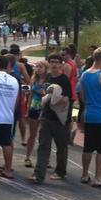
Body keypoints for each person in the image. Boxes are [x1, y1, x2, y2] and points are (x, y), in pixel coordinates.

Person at [31, 54, 72, 184]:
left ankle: (60, 171)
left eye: (56, 62)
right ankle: (38, 175)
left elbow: (67, 100)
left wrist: (53, 99)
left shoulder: (64, 80)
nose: (54, 64)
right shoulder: (47, 77)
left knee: (61, 147)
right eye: (52, 62)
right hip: (46, 117)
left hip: (61, 119)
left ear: (61, 64)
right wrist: (45, 97)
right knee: (43, 145)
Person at [79, 47, 101, 187]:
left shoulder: (84, 74)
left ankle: (84, 174)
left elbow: (82, 95)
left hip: (89, 113)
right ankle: (98, 178)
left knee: (88, 147)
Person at [24, 60, 48, 169]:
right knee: (32, 135)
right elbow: (30, 96)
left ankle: (44, 159)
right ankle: (28, 157)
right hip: (34, 108)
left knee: (45, 137)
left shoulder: (49, 81)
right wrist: (27, 110)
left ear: (45, 69)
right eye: (37, 67)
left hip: (45, 109)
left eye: (40, 67)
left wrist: (45, 93)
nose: (38, 69)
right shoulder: (34, 80)